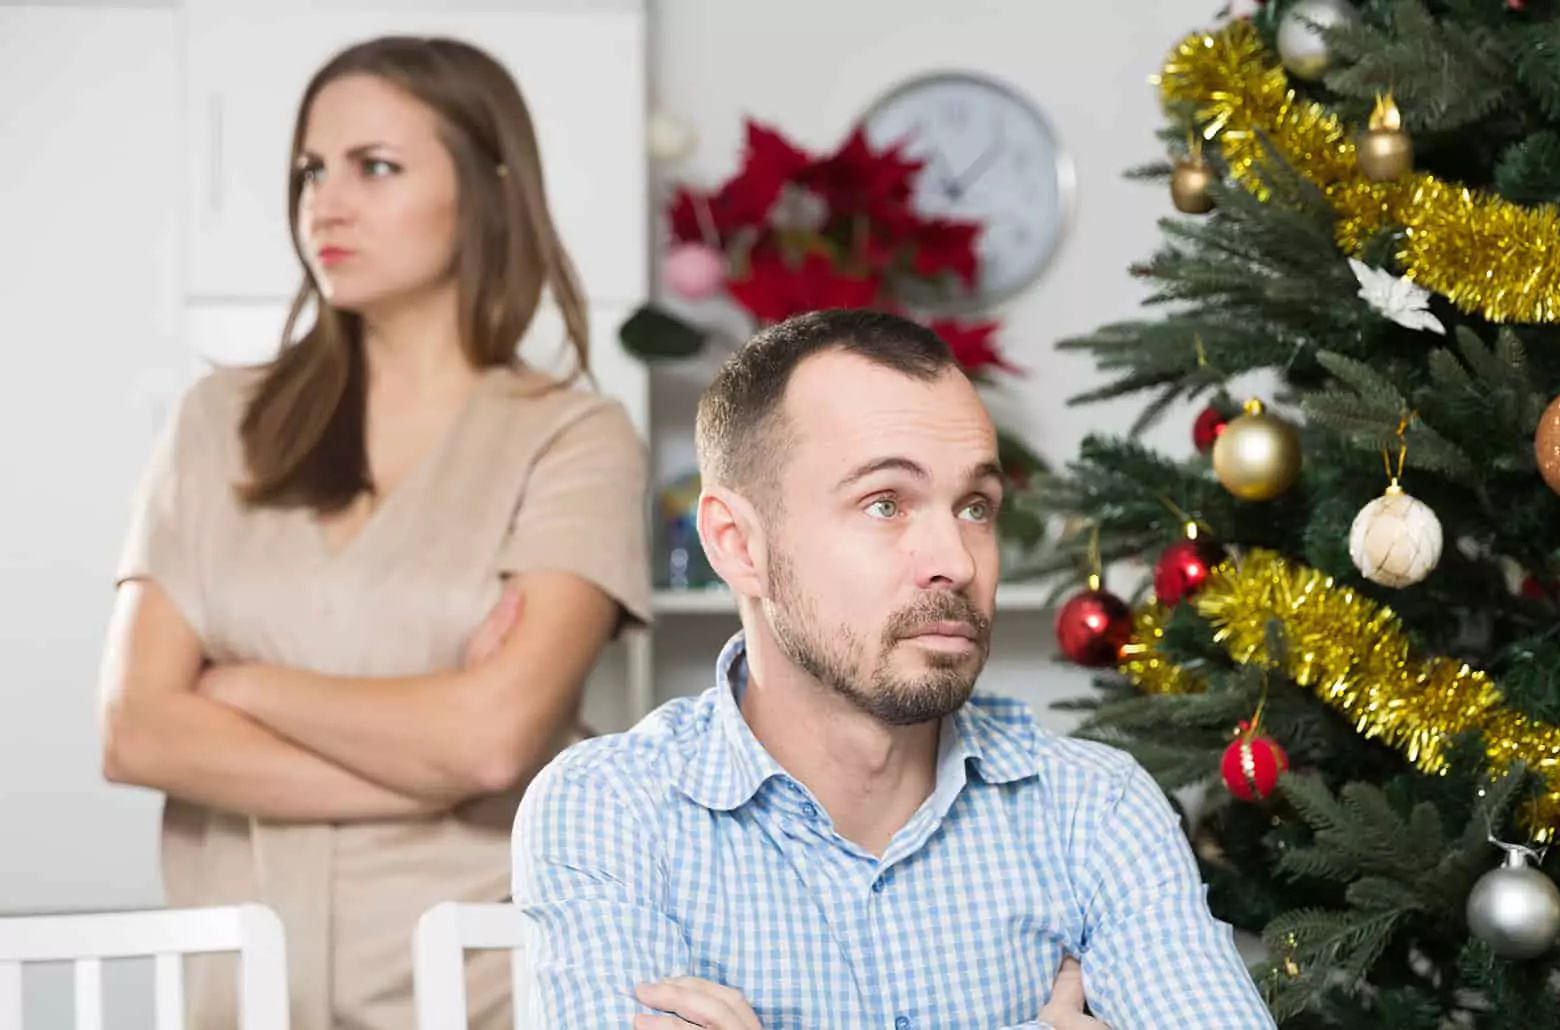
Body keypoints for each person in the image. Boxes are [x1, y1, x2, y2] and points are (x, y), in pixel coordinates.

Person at [97, 35, 651, 1030]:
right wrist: (426, 750)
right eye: (312, 169)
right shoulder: (217, 421)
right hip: (241, 989)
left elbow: (491, 741)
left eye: (375, 167)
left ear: (487, 189)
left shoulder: (575, 437)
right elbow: (136, 729)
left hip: (480, 987)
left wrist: (238, 687)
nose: (326, 203)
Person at [512, 309, 1275, 1029]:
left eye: (975, 505)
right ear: (738, 544)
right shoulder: (611, 811)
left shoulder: (1095, 811)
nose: (954, 560)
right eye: (885, 504)